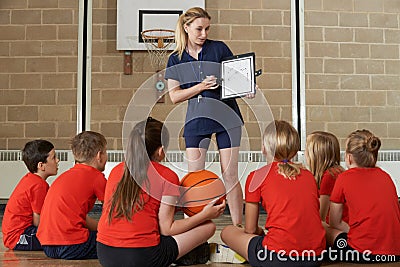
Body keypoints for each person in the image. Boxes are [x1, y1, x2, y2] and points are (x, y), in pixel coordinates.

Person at [96, 117, 225, 267]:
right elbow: (167, 229)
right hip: (142, 257)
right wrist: (204, 215)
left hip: (105, 253)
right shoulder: (167, 175)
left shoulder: (117, 170)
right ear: (161, 150)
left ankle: (185, 253)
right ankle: (186, 253)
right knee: (209, 227)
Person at [165, 6, 252, 226]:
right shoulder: (175, 59)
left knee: (230, 175)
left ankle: (237, 227)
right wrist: (201, 86)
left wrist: (247, 87)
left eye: (207, 29)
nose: (204, 34)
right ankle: (192, 229)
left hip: (228, 118)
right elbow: (174, 96)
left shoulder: (219, 48)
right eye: (199, 29)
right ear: (186, 28)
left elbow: (236, 79)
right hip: (196, 121)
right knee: (195, 180)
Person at [219, 120, 326, 266]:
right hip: (315, 257)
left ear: (263, 148)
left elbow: (250, 229)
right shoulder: (308, 176)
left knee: (227, 231)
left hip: (276, 257)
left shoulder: (256, 177)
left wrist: (259, 231)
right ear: (294, 150)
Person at [326, 129, 400, 263]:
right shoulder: (386, 176)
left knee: (323, 228)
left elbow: (334, 223)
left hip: (361, 253)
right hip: (395, 252)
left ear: (348, 157)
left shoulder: (343, 178)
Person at [36, 131, 108, 260]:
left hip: (48, 246)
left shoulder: (64, 177)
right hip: (73, 246)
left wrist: (99, 228)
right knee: (114, 244)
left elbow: (75, 218)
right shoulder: (96, 177)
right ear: (99, 155)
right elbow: (115, 210)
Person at [2, 140, 59, 251]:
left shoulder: (32, 179)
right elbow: (38, 221)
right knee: (64, 237)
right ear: (41, 165)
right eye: (53, 158)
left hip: (18, 234)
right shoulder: (38, 185)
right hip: (19, 237)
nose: (57, 160)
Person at [305, 131, 347, 226]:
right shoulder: (337, 171)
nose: (305, 154)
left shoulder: (329, 176)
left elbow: (320, 216)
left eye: (307, 150)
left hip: (339, 228)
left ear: (316, 155)